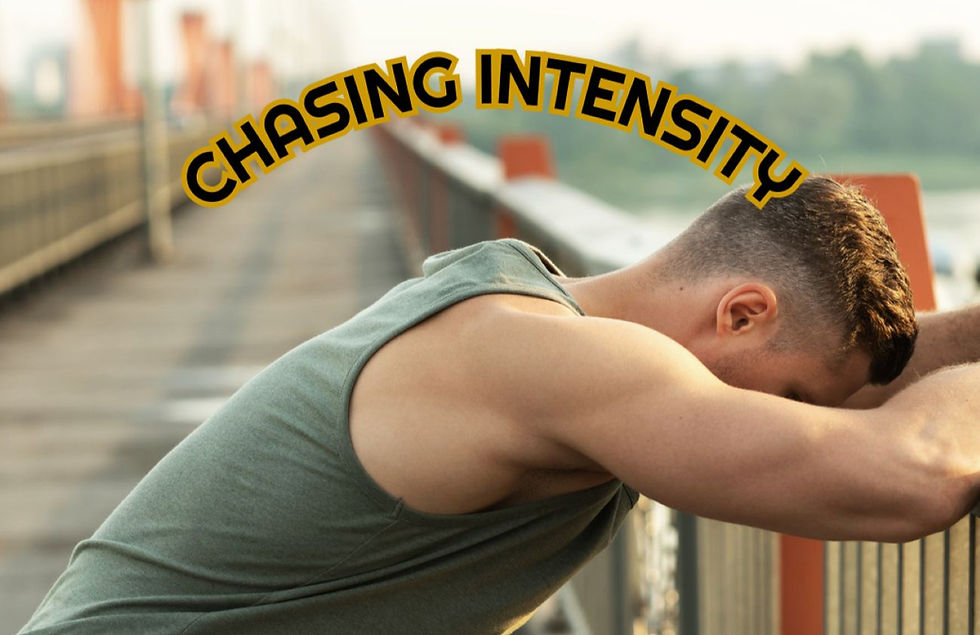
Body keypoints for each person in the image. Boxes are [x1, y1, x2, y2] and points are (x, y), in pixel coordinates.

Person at [20, 175, 980, 634]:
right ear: (739, 311)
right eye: (796, 400)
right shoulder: (541, 361)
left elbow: (887, 382)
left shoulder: (550, 328)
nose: (803, 420)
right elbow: (908, 476)